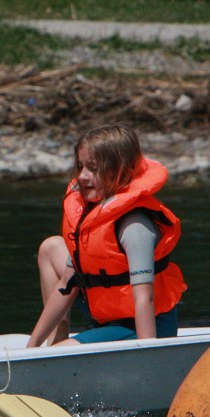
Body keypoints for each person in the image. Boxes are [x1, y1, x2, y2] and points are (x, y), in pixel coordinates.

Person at [26, 124, 186, 348]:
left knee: (63, 353)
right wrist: (31, 347)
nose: (82, 176)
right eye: (81, 167)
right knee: (51, 247)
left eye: (93, 168)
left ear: (121, 171)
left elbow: (144, 299)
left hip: (143, 327)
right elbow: (66, 286)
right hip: (107, 320)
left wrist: (149, 354)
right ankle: (57, 340)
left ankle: (64, 347)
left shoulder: (134, 225)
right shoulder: (90, 218)